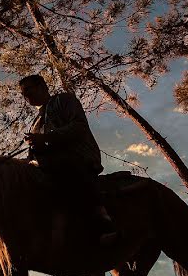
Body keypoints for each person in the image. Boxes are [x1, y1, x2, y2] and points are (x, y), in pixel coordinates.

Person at [18, 74, 116, 243]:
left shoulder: (64, 100)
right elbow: (36, 152)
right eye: (23, 94)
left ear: (42, 86)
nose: (26, 96)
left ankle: (102, 222)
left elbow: (79, 126)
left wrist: (46, 138)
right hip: (49, 164)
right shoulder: (36, 121)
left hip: (78, 156)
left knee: (68, 169)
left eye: (28, 90)